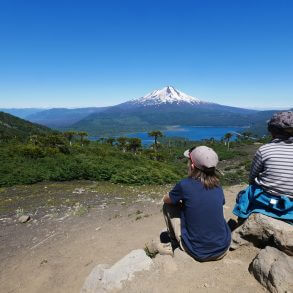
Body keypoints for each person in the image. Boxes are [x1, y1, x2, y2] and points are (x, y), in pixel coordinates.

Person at [160, 146, 231, 262]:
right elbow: (221, 202)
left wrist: (174, 198)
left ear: (192, 166)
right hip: (223, 248)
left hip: (196, 251)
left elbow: (166, 200)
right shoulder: (217, 184)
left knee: (168, 206)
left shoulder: (184, 185)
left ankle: (174, 243)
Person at [233, 111, 293, 223]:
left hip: (267, 200)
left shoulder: (265, 149)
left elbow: (252, 178)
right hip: (291, 207)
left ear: (273, 132)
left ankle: (242, 218)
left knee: (249, 190)